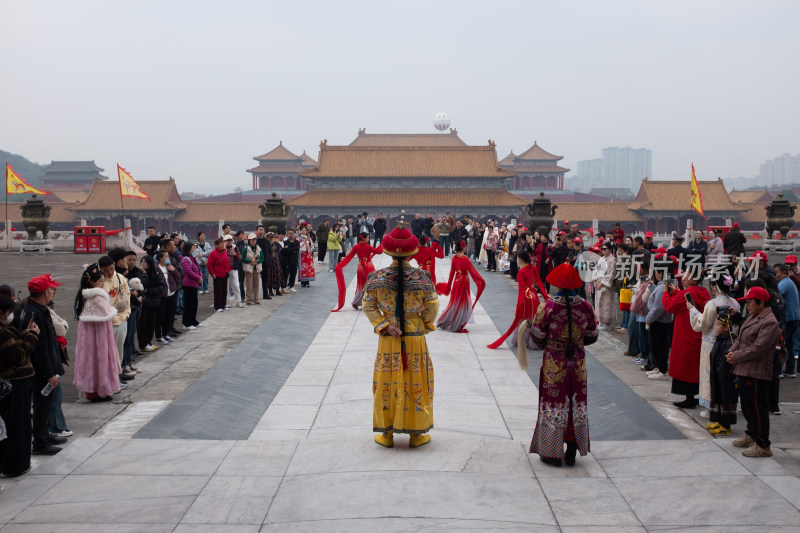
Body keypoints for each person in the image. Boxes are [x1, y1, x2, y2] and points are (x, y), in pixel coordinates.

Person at [363, 225, 439, 448]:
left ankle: (386, 434)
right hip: (414, 335)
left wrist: (384, 324)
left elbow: (368, 305)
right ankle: (417, 434)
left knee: (387, 377)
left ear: (387, 251)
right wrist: (422, 325)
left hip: (389, 337)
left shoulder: (376, 277)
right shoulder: (422, 277)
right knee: (416, 378)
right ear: (411, 252)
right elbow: (432, 305)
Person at [517, 263, 598, 467]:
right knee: (575, 403)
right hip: (577, 362)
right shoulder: (586, 307)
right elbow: (592, 335)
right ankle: (572, 450)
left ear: (556, 283)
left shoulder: (548, 306)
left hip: (555, 362)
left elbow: (538, 337)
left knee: (554, 404)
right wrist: (576, 343)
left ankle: (551, 452)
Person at [727, 286, 780, 457]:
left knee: (758, 408)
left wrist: (737, 355)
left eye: (750, 302)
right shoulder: (752, 316)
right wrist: (732, 352)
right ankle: (751, 434)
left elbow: (759, 348)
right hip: (744, 368)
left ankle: (763, 444)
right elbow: (741, 338)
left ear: (761, 302)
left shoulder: (769, 322)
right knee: (748, 406)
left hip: (757, 371)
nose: (747, 305)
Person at [19, 275, 66, 456]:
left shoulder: (37, 309)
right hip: (40, 371)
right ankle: (40, 441)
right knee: (42, 404)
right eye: (52, 289)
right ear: (45, 291)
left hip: (43, 367)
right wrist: (49, 373)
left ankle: (44, 434)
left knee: (45, 403)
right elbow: (40, 349)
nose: (54, 291)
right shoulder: (35, 312)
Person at [689, 273, 740, 418]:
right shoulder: (735, 303)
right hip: (730, 343)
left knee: (710, 375)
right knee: (726, 376)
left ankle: (712, 406)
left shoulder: (711, 304)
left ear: (715, 286)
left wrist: (692, 311)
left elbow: (703, 324)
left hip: (711, 344)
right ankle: (727, 405)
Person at [0, 294, 39, 476]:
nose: (11, 315)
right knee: (16, 426)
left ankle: (18, 462)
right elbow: (18, 355)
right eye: (8, 312)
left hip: (16, 385)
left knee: (19, 424)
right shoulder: (2, 333)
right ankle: (14, 464)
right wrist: (31, 336)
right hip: (13, 385)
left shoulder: (6, 330)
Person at [73, 264, 121, 403]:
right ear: (92, 282)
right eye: (100, 281)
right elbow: (109, 312)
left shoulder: (85, 297)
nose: (102, 283)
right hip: (100, 335)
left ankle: (92, 391)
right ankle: (102, 390)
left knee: (90, 360)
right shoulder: (97, 298)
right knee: (101, 360)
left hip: (88, 336)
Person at [663, 268, 711, 407]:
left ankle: (689, 398)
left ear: (695, 278)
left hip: (685, 333)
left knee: (685, 367)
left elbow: (670, 305)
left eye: (687, 275)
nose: (683, 277)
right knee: (696, 367)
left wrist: (666, 292)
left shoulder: (687, 293)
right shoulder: (702, 292)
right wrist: (678, 293)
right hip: (698, 333)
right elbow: (687, 300)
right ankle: (697, 395)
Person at [488, 250, 550, 349]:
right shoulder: (532, 268)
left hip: (526, 297)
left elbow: (521, 290)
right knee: (533, 318)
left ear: (520, 259)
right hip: (534, 296)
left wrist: (519, 304)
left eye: (517, 258)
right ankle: (534, 339)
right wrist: (546, 296)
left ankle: (523, 339)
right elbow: (539, 283)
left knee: (523, 318)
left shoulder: (521, 271)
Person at [436, 240, 485, 333]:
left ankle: (447, 321)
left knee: (455, 302)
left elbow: (451, 274)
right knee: (462, 302)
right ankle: (457, 325)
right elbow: (474, 273)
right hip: (464, 282)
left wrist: (449, 286)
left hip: (456, 281)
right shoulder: (466, 259)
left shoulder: (454, 258)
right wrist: (481, 281)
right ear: (463, 247)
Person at [706, 308, 738, 435]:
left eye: (719, 325)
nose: (716, 327)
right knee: (717, 396)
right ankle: (719, 421)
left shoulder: (729, 342)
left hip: (725, 377)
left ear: (726, 328)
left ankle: (726, 426)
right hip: (718, 375)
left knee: (726, 397)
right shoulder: (720, 340)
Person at [332, 232, 382, 311]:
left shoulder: (356, 247)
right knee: (371, 284)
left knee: (361, 285)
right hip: (368, 266)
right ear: (364, 238)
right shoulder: (368, 247)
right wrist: (383, 244)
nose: (368, 239)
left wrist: (340, 265)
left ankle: (357, 302)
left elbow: (348, 257)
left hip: (360, 267)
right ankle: (371, 302)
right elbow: (379, 252)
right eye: (368, 237)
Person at [645, 258, 674, 380]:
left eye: (656, 272)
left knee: (659, 347)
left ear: (661, 273)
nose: (655, 274)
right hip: (659, 321)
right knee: (656, 346)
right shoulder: (662, 286)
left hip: (659, 321)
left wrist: (649, 319)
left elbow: (658, 308)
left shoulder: (663, 288)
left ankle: (662, 369)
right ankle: (658, 368)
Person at [136, 254, 163, 352]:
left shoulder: (155, 273)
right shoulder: (139, 273)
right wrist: (143, 274)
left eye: (145, 262)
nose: (143, 264)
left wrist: (149, 291)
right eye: (142, 262)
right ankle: (143, 344)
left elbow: (161, 286)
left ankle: (149, 341)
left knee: (152, 323)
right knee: (143, 324)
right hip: (143, 302)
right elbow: (140, 285)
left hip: (153, 301)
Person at [777, 263, 799, 378]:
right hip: (794, 317)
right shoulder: (789, 281)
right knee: (789, 344)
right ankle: (790, 369)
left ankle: (779, 370)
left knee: (781, 343)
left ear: (784, 273)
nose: (775, 275)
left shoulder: (784, 283)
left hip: (788, 318)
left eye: (777, 272)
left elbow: (777, 294)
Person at [593, 243, 617, 330]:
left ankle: (606, 323)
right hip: (598, 284)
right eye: (602, 249)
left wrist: (601, 283)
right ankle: (600, 321)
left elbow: (610, 275)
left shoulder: (612, 260)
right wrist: (595, 281)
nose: (603, 250)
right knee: (599, 303)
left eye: (605, 249)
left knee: (606, 303)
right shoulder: (601, 259)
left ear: (610, 250)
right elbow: (595, 270)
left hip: (605, 286)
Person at [180, 241, 202, 329]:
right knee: (189, 304)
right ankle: (186, 323)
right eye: (193, 247)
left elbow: (197, 269)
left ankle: (193, 320)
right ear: (188, 248)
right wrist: (198, 278)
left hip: (194, 283)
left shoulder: (192, 258)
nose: (194, 249)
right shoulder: (185, 259)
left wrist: (201, 276)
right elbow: (188, 271)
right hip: (189, 284)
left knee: (194, 303)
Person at [207, 237, 231, 312]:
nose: (222, 245)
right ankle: (217, 306)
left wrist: (228, 269)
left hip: (224, 274)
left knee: (224, 290)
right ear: (216, 245)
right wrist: (212, 273)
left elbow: (226, 262)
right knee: (218, 291)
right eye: (221, 244)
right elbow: (209, 264)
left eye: (223, 243)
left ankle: (223, 305)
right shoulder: (213, 253)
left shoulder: (224, 251)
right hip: (217, 275)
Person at [242, 233, 265, 304]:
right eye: (252, 240)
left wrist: (257, 262)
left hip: (257, 269)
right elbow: (243, 258)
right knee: (249, 285)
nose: (254, 241)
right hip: (249, 269)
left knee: (257, 285)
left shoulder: (258, 248)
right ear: (249, 240)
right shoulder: (246, 248)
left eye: (255, 240)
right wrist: (250, 261)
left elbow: (262, 258)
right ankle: (249, 299)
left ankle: (256, 299)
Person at [223, 235, 243, 308]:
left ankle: (238, 301)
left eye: (230, 240)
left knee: (236, 285)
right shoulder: (222, 248)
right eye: (227, 240)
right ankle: (227, 301)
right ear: (224, 241)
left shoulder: (235, 247)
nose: (229, 242)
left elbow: (240, 258)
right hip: (225, 270)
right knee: (226, 287)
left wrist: (235, 254)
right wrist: (224, 250)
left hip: (234, 269)